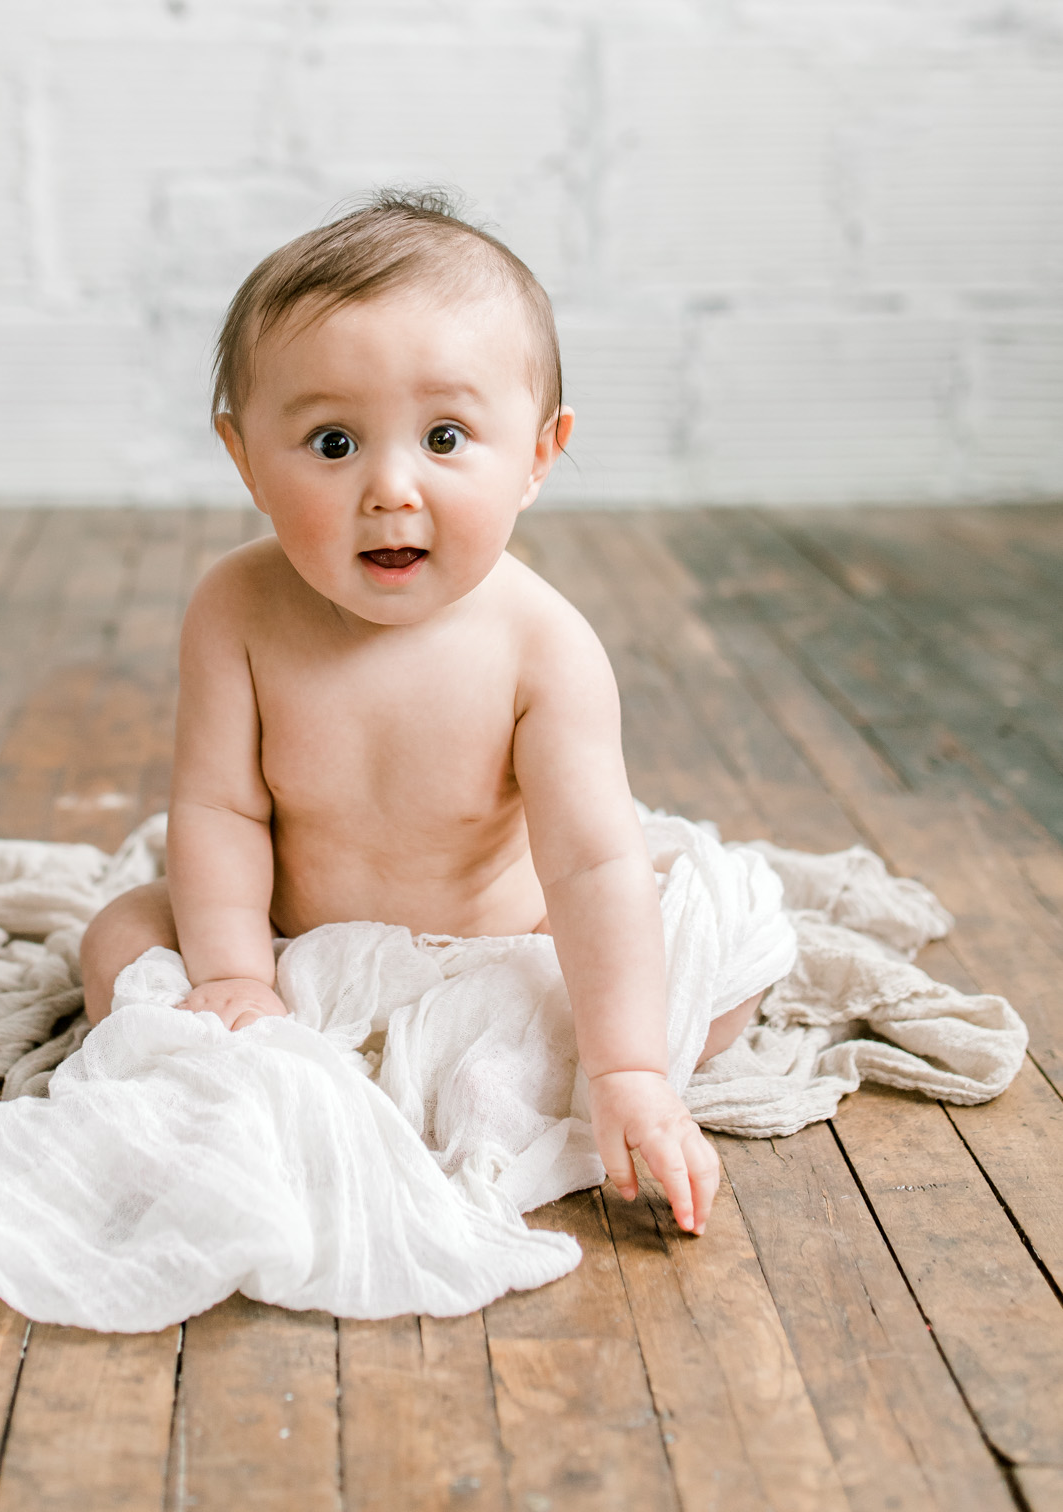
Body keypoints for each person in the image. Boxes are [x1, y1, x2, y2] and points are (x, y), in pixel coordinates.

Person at [81, 190, 759, 1236]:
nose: (391, 487)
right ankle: (247, 1062)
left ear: (538, 453)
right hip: (290, 945)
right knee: (120, 933)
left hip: (499, 949)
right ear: (245, 455)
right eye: (333, 442)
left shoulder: (544, 644)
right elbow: (220, 811)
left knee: (715, 963)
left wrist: (627, 1063)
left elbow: (589, 865)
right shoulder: (235, 609)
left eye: (445, 435)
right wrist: (231, 975)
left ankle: (601, 1074)